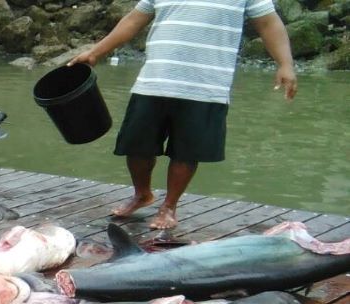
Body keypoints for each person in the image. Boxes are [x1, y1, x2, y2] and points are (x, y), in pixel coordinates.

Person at [68, 0, 296, 229]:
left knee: (186, 153)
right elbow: (134, 20)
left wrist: (285, 64)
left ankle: (169, 206)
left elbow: (268, 23)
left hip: (206, 87)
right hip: (154, 80)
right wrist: (96, 53)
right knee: (136, 145)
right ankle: (142, 194)